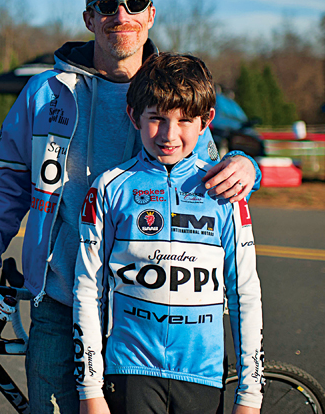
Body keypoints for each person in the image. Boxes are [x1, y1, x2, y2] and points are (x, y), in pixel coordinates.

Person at [0, 0, 260, 413]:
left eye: (135, 3)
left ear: (151, 14)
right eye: (108, 6)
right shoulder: (44, 93)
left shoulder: (171, 98)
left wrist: (248, 166)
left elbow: (209, 181)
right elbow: (8, 188)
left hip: (146, 314)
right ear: (89, 16)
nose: (121, 16)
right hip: (62, 299)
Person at [73, 52, 263, 414]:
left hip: (202, 376)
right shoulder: (110, 188)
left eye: (184, 120)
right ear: (134, 116)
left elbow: (245, 295)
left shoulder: (224, 191)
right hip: (129, 372)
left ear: (206, 120)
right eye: (156, 119)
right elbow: (88, 292)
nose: (169, 135)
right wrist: (90, 390)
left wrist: (250, 397)